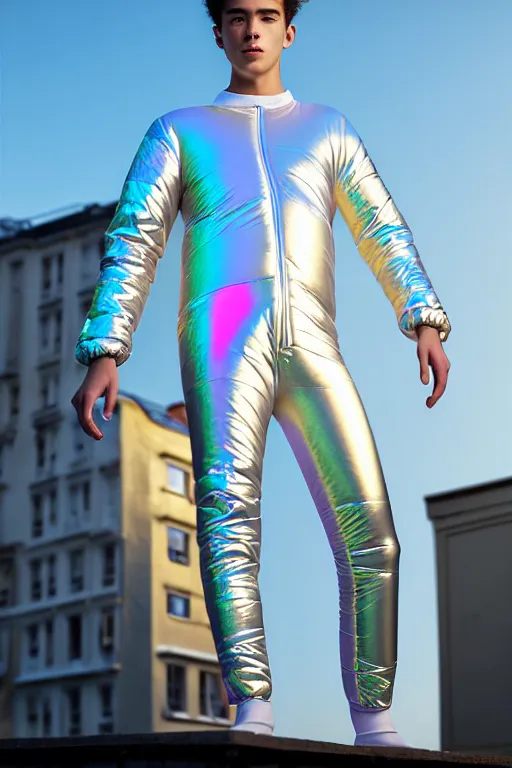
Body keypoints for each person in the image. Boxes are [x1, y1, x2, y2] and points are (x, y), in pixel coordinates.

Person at [71, 0, 451, 748]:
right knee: (227, 520)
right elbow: (137, 237)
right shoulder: (179, 130)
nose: (252, 29)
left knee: (374, 535)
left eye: (267, 14)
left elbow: (381, 224)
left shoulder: (327, 128)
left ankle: (375, 722)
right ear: (218, 32)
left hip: (314, 346)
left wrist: (424, 315)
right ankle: (253, 707)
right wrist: (106, 350)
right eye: (238, 16)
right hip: (221, 341)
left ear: (289, 29)